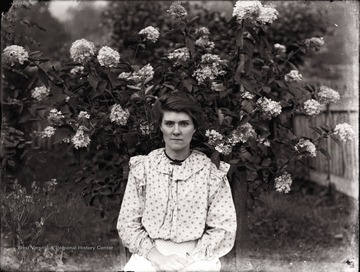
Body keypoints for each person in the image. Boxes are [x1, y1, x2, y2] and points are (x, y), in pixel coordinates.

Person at [117, 92, 237, 272]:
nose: (176, 131)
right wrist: (158, 259)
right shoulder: (144, 168)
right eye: (169, 123)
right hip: (149, 257)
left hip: (198, 259)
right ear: (161, 126)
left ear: (194, 128)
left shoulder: (210, 173)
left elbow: (223, 227)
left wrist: (189, 262)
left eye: (184, 123)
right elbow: (128, 223)